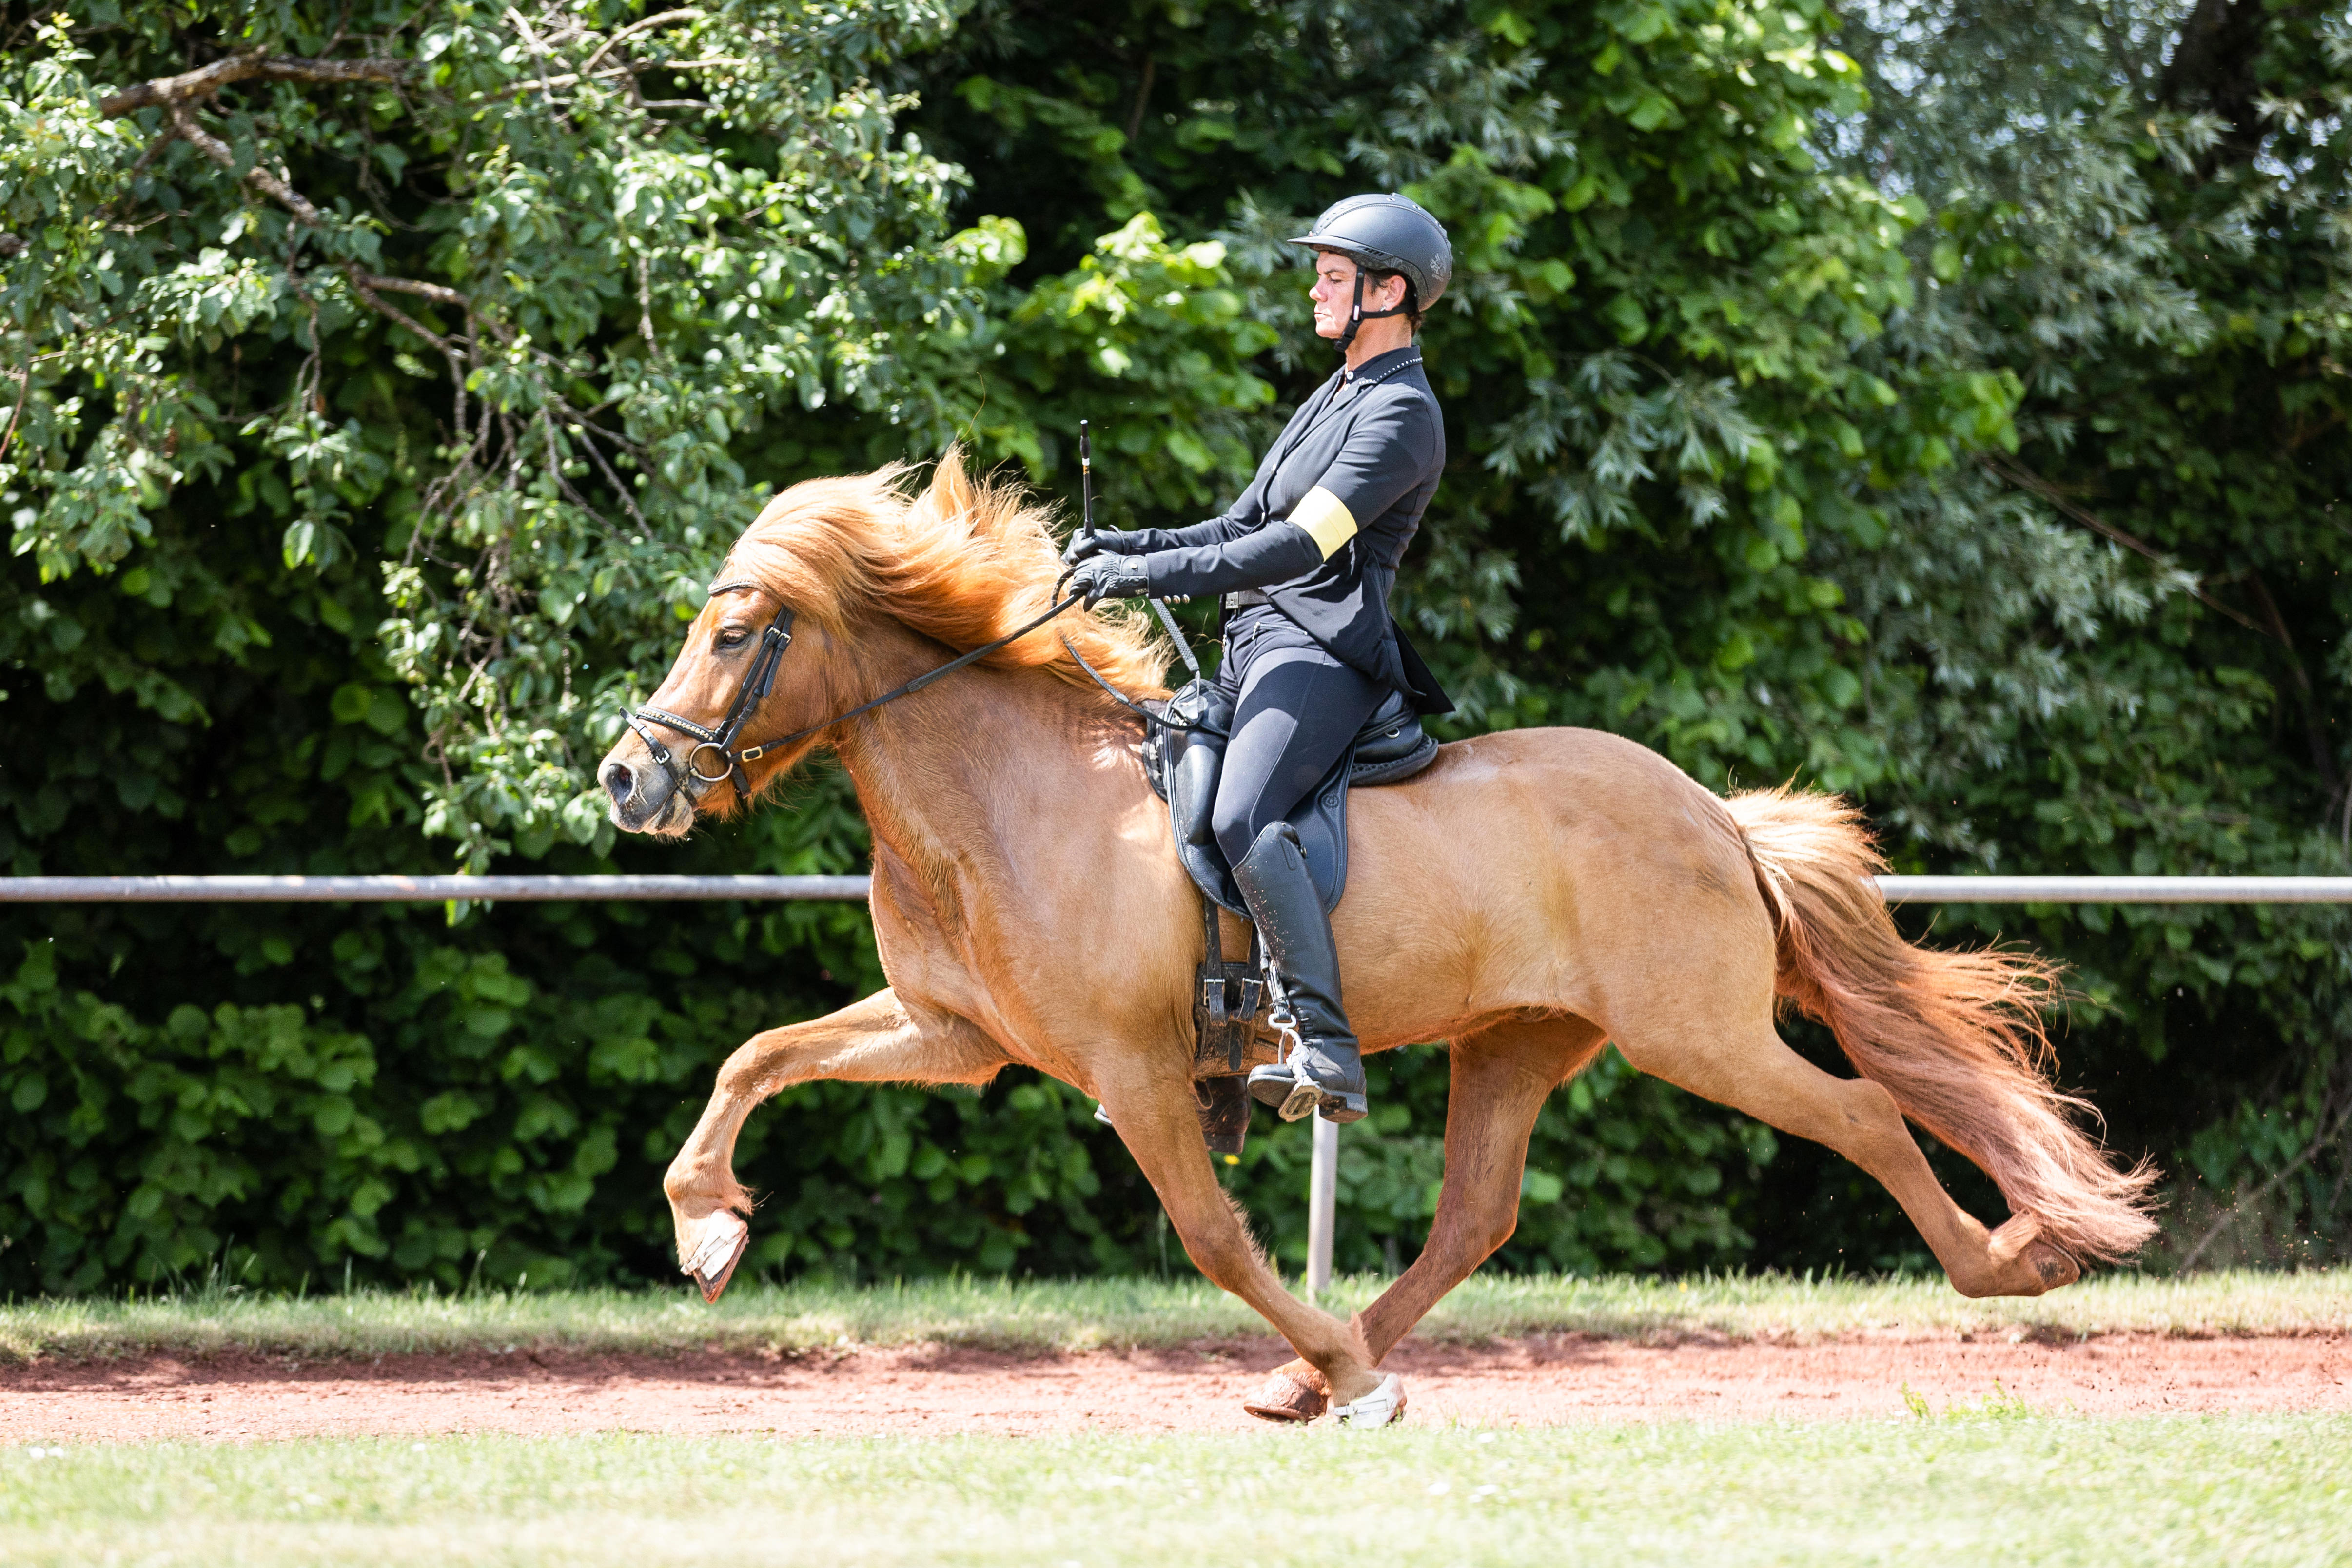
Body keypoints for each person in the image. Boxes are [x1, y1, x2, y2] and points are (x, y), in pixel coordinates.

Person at [1063, 192, 1453, 1124]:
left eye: (1332, 279)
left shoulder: (1400, 415)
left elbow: (1293, 550)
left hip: (1319, 651)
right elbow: (1241, 524)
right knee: (1168, 788)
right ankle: (1214, 1039)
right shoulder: (1338, 393)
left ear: (1388, 290)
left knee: (1243, 813)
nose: (1315, 294)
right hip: (1253, 642)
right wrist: (1125, 543)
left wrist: (1142, 575)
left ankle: (1325, 1045)